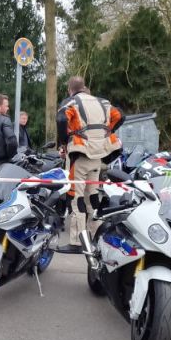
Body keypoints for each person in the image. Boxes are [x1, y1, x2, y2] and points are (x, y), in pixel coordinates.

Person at [57, 76, 124, 252]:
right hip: (98, 156)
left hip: (79, 155)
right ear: (84, 87)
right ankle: (95, 236)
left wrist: (64, 142)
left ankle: (77, 241)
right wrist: (105, 133)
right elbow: (120, 116)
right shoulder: (103, 102)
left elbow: (61, 119)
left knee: (76, 197)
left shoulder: (72, 102)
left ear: (70, 89)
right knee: (92, 197)